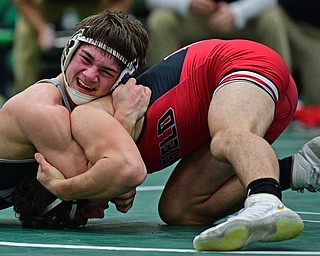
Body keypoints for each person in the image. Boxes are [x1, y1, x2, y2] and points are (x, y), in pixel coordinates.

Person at [31, 38, 318, 250]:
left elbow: (124, 169)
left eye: (82, 212)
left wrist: (64, 188)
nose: (96, 216)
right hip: (265, 103)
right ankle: (300, 168)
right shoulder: (108, 150)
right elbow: (119, 169)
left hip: (240, 66)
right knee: (179, 210)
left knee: (227, 135)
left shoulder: (89, 119)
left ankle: (265, 203)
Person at [0, 10, 150, 227]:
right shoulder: (41, 109)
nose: (89, 75)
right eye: (86, 59)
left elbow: (108, 179)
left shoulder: (84, 108)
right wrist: (126, 117)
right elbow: (105, 182)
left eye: (106, 72)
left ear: (123, 80)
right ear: (69, 52)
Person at [145, 0, 279, 67]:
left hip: (242, 21)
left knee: (271, 19)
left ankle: (282, 93)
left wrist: (237, 13)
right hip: (194, 20)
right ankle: (162, 96)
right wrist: (187, 3)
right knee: (161, 20)